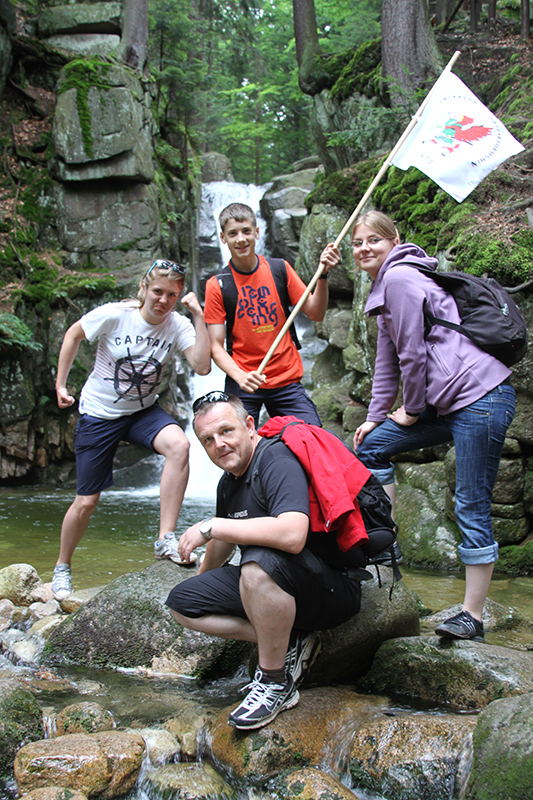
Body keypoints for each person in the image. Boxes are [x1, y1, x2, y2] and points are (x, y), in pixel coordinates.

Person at [351, 210, 516, 642]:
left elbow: (412, 354)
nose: (364, 248)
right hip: (450, 402)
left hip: (481, 396)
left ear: (394, 240)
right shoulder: (385, 287)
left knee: (471, 502)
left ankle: (472, 616)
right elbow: (387, 360)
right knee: (371, 447)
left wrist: (410, 408)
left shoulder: (400, 279)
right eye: (357, 242)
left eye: (374, 240)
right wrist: (374, 417)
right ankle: (385, 542)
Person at [165, 392, 363, 730]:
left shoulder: (276, 460)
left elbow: (292, 534)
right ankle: (292, 640)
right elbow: (225, 540)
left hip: (331, 588)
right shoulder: (228, 483)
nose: (219, 444)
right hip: (277, 583)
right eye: (208, 440)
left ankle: (275, 682)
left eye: (226, 431)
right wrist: (203, 578)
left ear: (249, 425)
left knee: (258, 560)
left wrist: (209, 527)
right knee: (182, 603)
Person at [52, 260, 212, 601]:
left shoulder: (177, 325)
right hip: (100, 414)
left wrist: (199, 316)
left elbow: (201, 366)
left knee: (179, 445)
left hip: (141, 412)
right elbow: (74, 334)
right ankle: (62, 566)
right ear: (144, 288)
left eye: (172, 295)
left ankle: (165, 539)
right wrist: (61, 384)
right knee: (86, 502)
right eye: (158, 292)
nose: (163, 300)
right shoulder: (115, 315)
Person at [203, 202, 340, 426]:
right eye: (233, 233)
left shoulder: (280, 269)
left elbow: (316, 313)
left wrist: (323, 275)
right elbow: (216, 346)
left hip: (285, 377)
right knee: (238, 441)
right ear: (223, 238)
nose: (241, 239)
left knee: (311, 436)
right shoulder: (217, 285)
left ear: (257, 232)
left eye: (246, 231)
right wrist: (240, 377)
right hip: (244, 380)